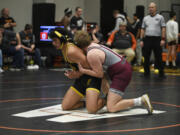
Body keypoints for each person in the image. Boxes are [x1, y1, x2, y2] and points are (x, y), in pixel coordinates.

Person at [74, 30, 153, 114]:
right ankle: (111, 97)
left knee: (111, 107)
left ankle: (140, 100)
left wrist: (83, 71)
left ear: (79, 46)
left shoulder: (91, 54)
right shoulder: (94, 44)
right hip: (122, 68)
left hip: (122, 73)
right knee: (105, 79)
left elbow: (99, 74)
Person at [49, 28, 106, 114]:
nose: (53, 43)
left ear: (62, 39)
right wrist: (77, 74)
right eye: (52, 41)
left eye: (55, 40)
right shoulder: (65, 48)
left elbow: (91, 67)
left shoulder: (71, 51)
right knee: (66, 106)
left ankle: (107, 100)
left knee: (91, 110)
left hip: (92, 77)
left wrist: (77, 74)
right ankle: (88, 103)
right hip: (82, 78)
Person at [140, 2, 166, 78]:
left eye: (152, 7)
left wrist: (163, 39)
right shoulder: (145, 18)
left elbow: (163, 28)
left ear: (155, 8)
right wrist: (141, 40)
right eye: (149, 7)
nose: (150, 9)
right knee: (146, 56)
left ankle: (161, 73)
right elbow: (142, 29)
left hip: (157, 39)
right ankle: (146, 73)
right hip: (147, 39)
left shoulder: (160, 17)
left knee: (158, 56)